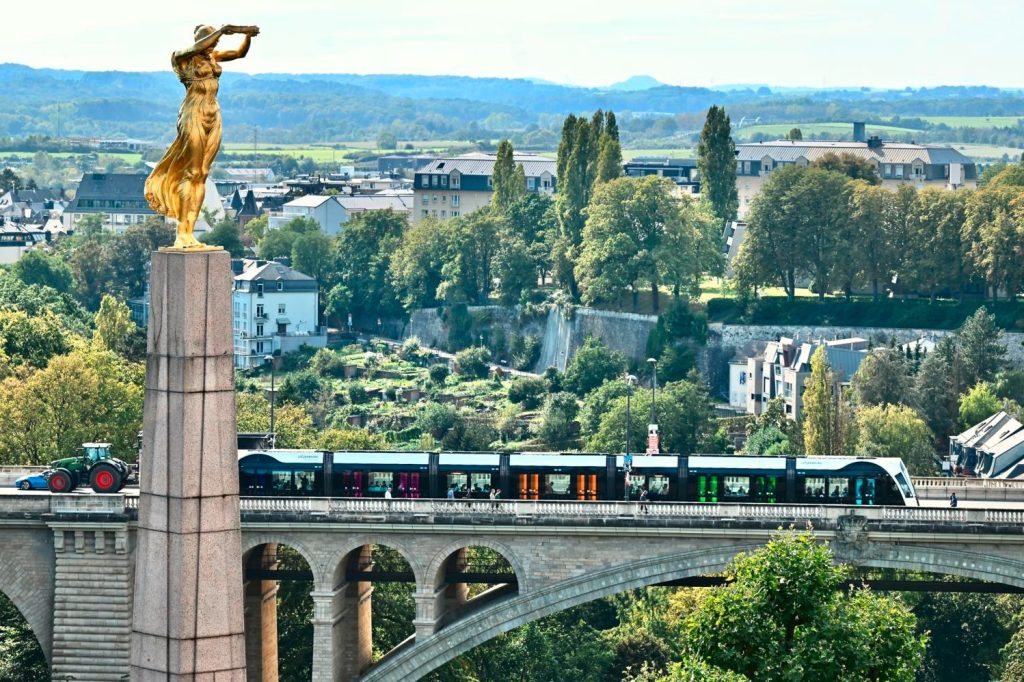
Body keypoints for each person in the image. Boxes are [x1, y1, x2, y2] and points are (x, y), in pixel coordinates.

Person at [146, 24, 259, 249]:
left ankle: (190, 231)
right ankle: (182, 232)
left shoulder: (212, 57)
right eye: (212, 41)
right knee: (192, 172)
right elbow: (199, 46)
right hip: (193, 112)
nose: (214, 46)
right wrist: (226, 29)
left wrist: (247, 36)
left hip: (213, 113)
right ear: (203, 39)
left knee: (203, 174)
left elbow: (239, 53)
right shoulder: (182, 58)